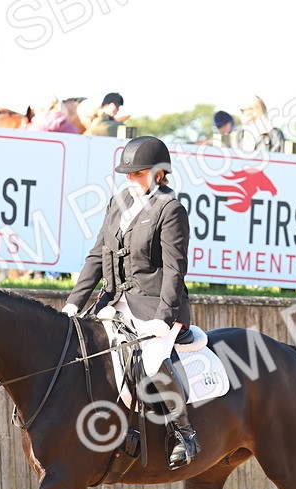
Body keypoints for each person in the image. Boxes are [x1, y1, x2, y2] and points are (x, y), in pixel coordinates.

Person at [61, 136, 200, 469]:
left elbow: (174, 269)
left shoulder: (170, 209)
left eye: (138, 173)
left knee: (151, 361)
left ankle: (185, 433)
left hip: (157, 306)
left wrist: (163, 318)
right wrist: (73, 304)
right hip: (116, 300)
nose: (131, 179)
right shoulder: (119, 201)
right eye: (128, 173)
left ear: (159, 173)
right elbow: (98, 254)